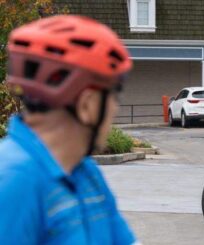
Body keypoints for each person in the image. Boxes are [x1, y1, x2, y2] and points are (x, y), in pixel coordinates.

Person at [0, 15, 140, 244]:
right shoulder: (12, 183)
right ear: (87, 105)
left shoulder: (86, 172)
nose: (116, 109)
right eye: (114, 96)